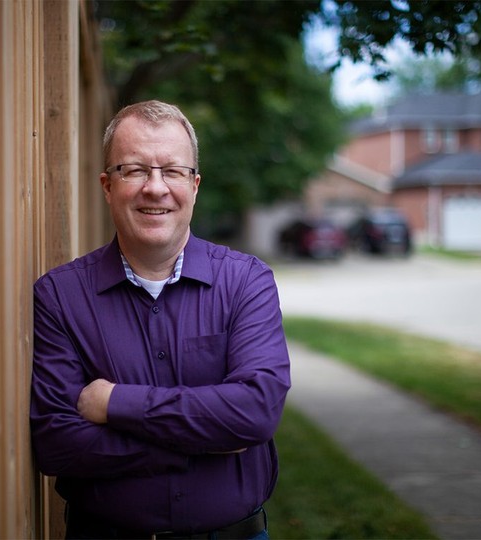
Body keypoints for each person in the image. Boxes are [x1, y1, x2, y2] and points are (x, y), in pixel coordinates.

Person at [30, 100, 291, 539]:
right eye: (134, 170)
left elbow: (256, 412)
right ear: (107, 185)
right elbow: (57, 444)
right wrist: (208, 439)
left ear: (194, 184)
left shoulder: (247, 281)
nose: (155, 188)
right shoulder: (60, 296)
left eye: (172, 170)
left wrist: (115, 404)